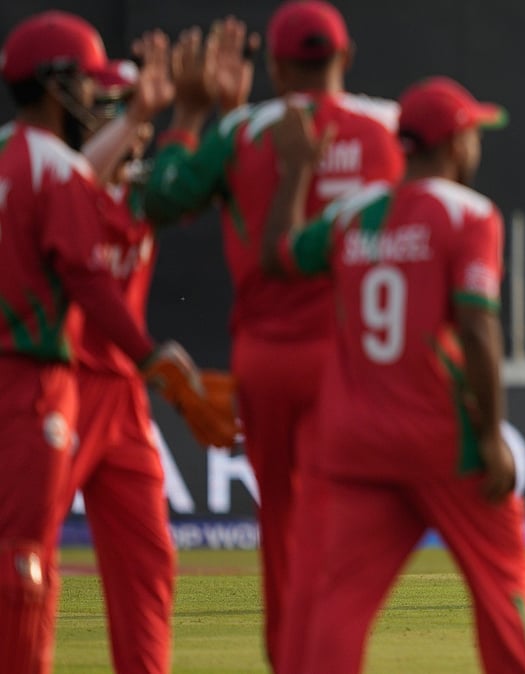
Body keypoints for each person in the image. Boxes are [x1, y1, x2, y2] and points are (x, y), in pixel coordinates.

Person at [142, 3, 404, 664]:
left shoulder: (239, 131)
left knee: (283, 534)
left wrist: (194, 117)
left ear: (279, 67)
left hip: (265, 360)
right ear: (345, 58)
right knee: (343, 532)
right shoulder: (385, 127)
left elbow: (161, 196)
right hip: (349, 361)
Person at [260, 76, 525, 674]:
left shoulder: (350, 215)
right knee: (502, 591)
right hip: (442, 438)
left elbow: (277, 257)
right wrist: (490, 434)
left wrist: (294, 172)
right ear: (458, 143)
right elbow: (477, 328)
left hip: (354, 443)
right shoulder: (469, 214)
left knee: (339, 606)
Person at [0, 12, 205, 673]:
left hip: (121, 394)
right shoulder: (66, 174)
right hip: (66, 381)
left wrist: (188, 117)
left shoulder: (128, 189)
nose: (125, 122)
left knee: (149, 554)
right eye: (110, 102)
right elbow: (75, 185)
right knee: (24, 551)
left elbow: (171, 185)